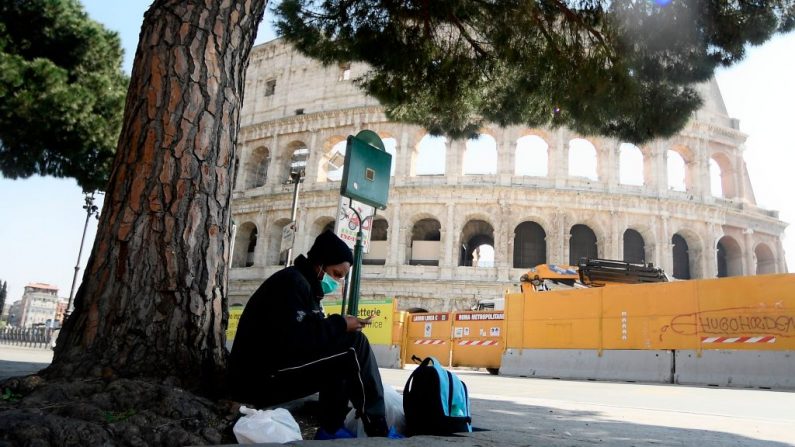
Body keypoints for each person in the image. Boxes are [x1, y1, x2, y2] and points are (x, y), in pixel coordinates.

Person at [228, 230, 389, 439]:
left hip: (273, 371)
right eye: (336, 274)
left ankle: (332, 429)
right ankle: (378, 431)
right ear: (320, 264)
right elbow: (296, 339)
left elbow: (309, 336)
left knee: (341, 355)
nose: (336, 282)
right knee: (353, 345)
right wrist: (340, 324)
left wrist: (337, 326)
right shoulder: (291, 282)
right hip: (260, 379)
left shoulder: (304, 285)